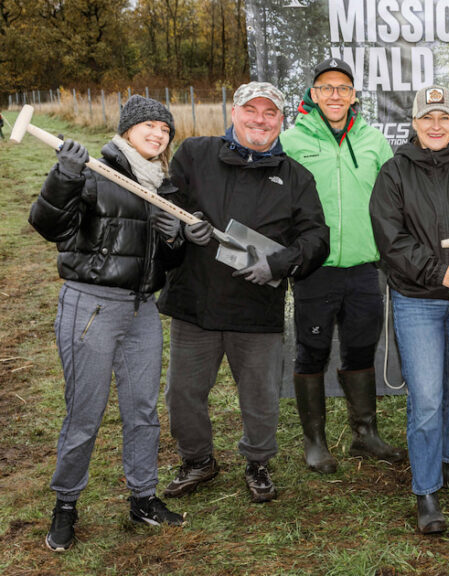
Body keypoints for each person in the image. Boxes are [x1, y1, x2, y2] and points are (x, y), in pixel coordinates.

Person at [159, 82, 329, 503]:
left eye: (270, 113)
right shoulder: (195, 154)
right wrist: (183, 228)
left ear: (281, 120)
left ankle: (258, 461)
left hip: (257, 308)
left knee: (260, 396)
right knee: (183, 393)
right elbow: (167, 204)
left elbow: (316, 238)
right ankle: (197, 460)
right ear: (233, 113)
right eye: (250, 110)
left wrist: (280, 263)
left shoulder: (296, 177)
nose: (260, 120)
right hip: (195, 302)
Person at [29, 95, 185, 552]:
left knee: (143, 410)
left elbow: (166, 261)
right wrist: (64, 176)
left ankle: (143, 498)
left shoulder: (162, 186)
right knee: (85, 412)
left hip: (142, 311)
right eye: (149, 125)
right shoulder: (95, 173)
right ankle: (65, 506)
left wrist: (175, 240)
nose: (158, 134)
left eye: (165, 129)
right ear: (127, 129)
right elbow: (47, 225)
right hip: (92, 307)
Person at [369, 85, 449, 534]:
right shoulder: (394, 173)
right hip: (418, 300)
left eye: (444, 117)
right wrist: (438, 273)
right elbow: (391, 240)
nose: (436, 125)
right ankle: (426, 490)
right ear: (415, 123)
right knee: (426, 399)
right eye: (428, 117)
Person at [280, 58, 402, 473]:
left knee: (361, 347)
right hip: (315, 268)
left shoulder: (373, 140)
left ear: (353, 96)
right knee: (311, 350)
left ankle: (365, 434)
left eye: (343, 88)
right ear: (313, 95)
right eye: (326, 87)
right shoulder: (292, 141)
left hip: (365, 267)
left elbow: (393, 200)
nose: (335, 94)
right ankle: (315, 441)